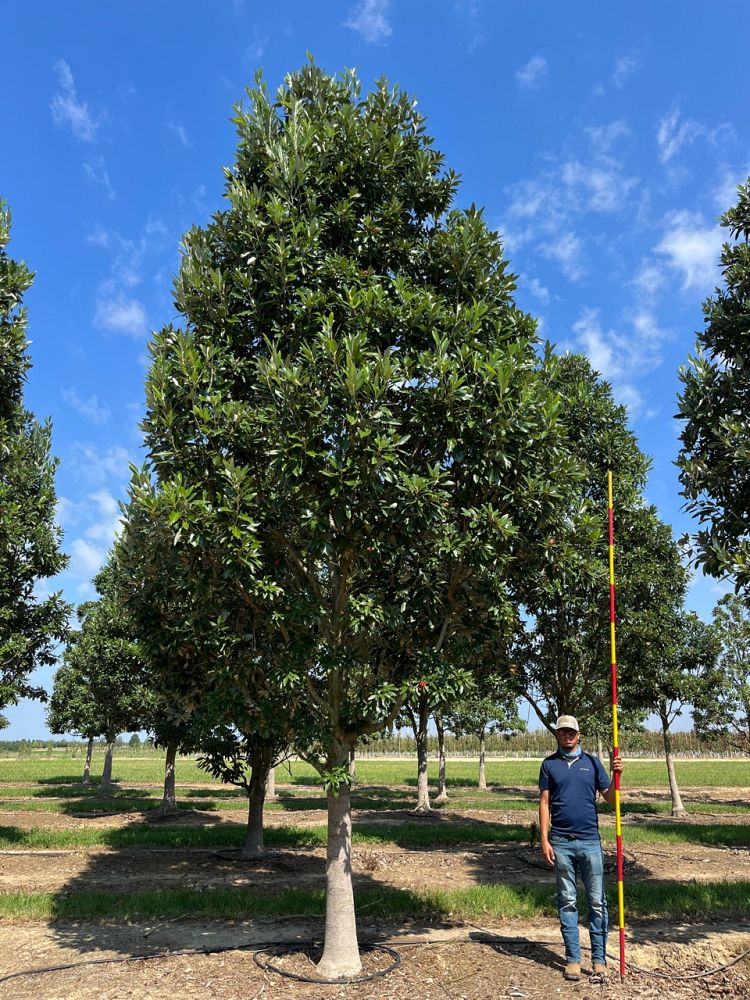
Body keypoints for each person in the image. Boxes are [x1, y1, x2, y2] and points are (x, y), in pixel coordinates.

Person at [538, 714, 623, 983]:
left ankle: (599, 960)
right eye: (562, 732)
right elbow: (544, 803)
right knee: (568, 901)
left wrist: (618, 775)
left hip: (590, 842)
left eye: (571, 732)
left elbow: (610, 798)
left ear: (579, 734)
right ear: (557, 735)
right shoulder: (549, 765)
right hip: (562, 842)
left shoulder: (593, 763)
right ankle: (573, 959)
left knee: (597, 902)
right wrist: (544, 839)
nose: (567, 736)